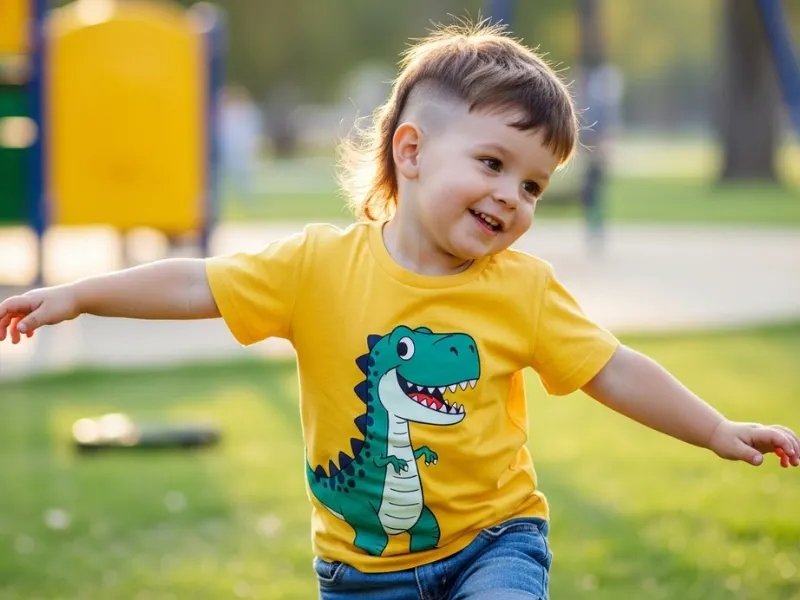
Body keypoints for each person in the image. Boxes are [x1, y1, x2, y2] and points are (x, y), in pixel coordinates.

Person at [1, 21, 798, 600]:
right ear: (411, 153)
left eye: (532, 186)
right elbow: (196, 285)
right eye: (492, 163)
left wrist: (715, 428)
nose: (511, 199)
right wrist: (78, 295)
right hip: (357, 572)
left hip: (497, 541)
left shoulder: (521, 287)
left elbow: (613, 369)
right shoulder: (316, 265)